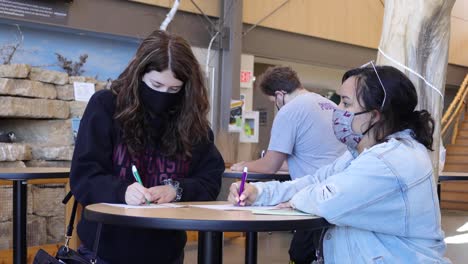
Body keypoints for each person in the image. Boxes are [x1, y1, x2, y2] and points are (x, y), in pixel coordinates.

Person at [228, 64, 450, 263]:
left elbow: (327, 199)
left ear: (374, 115)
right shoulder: (359, 153)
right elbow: (316, 181)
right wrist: (258, 192)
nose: (338, 111)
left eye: (346, 102)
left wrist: (297, 199)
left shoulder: (391, 159)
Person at [70, 30, 225, 264]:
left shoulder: (190, 120)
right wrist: (122, 191)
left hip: (166, 251)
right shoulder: (106, 106)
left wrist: (176, 189)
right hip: (106, 250)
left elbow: (210, 179)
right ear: (139, 74)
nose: (164, 95)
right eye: (156, 84)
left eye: (174, 89)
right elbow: (85, 176)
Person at [230, 66, 345, 263]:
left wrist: (243, 166)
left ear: (280, 94)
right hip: (337, 192)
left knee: (300, 254)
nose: (275, 104)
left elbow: (270, 166)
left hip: (312, 197)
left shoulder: (290, 111)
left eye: (273, 100)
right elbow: (309, 158)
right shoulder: (327, 104)